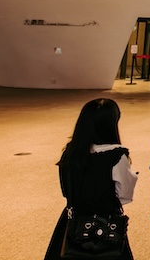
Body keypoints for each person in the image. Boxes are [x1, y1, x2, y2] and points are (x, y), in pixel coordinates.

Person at [44, 98, 138, 260]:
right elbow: (124, 197)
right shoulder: (116, 156)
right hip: (106, 224)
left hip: (73, 222)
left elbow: (66, 191)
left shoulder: (71, 152)